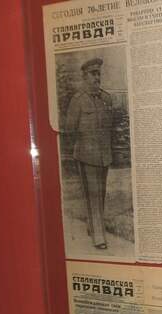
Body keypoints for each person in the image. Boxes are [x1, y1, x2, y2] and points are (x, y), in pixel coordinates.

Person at [64, 57, 113, 249]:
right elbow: (69, 129)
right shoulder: (78, 100)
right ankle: (99, 237)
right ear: (84, 77)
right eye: (93, 74)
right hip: (86, 155)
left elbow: (109, 127)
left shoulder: (106, 99)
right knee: (92, 194)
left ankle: (93, 226)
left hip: (103, 155)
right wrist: (81, 147)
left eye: (98, 74)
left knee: (100, 193)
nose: (97, 78)